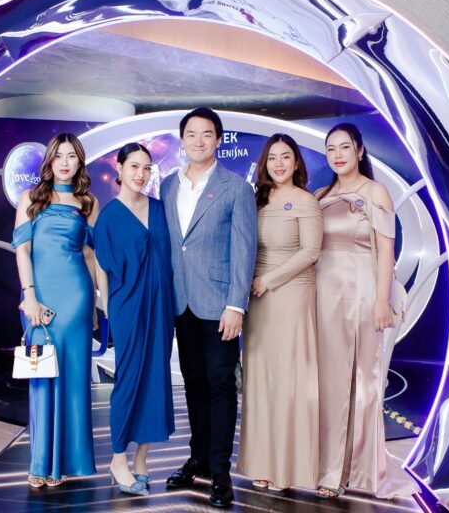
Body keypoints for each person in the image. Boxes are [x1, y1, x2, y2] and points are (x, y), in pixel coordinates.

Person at [314, 123, 418, 499]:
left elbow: (386, 250)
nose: (337, 154)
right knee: (329, 385)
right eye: (331, 149)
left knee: (363, 383)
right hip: (323, 297)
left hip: (362, 294)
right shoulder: (320, 195)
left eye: (345, 147)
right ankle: (329, 467)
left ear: (359, 151)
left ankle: (357, 470)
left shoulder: (376, 192)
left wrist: (380, 301)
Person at [161, 107, 258, 508]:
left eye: (206, 134)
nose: (198, 141)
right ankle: (197, 457)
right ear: (182, 140)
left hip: (220, 306)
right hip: (181, 301)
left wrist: (236, 305)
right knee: (194, 382)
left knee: (220, 384)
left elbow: (245, 250)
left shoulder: (236, 188)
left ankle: (220, 469)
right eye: (191, 134)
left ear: (218, 140)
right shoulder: (167, 185)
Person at [11, 132, 98, 488]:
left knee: (74, 379)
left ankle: (65, 464)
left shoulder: (88, 202)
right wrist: (29, 296)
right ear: (49, 160)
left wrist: (96, 304)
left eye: (71, 156)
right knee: (41, 376)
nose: (65, 162)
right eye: (59, 155)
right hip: (39, 297)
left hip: (77, 298)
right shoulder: (30, 198)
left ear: (79, 162)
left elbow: (90, 256)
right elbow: (22, 250)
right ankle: (41, 462)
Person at [237, 134, 323, 492]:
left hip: (290, 294)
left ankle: (289, 467)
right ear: (264, 163)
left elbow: (310, 252)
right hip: (256, 298)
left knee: (289, 379)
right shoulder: (255, 200)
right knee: (260, 380)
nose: (278, 164)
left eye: (286, 157)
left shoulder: (306, 201)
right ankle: (262, 462)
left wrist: (268, 281)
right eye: (272, 157)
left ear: (296, 162)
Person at [94, 143, 176, 496]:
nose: (141, 174)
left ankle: (141, 459)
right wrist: (108, 307)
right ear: (120, 168)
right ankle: (117, 459)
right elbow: (101, 265)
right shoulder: (109, 216)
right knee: (128, 380)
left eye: (146, 168)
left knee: (155, 380)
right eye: (134, 167)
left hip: (162, 306)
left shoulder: (159, 209)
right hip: (127, 306)